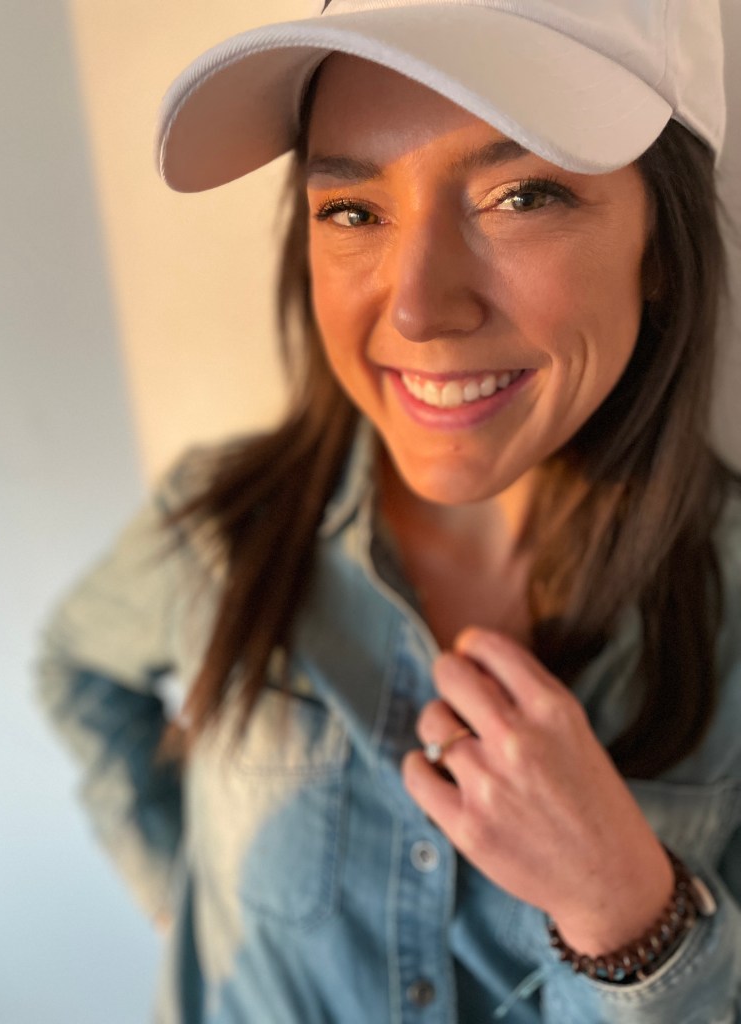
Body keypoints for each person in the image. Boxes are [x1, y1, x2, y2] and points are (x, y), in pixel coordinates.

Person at [37, 1, 741, 1021]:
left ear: (661, 245)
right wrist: (189, 905)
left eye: (521, 194)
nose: (416, 305)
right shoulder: (223, 525)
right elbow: (76, 668)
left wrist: (629, 913)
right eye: (354, 211)